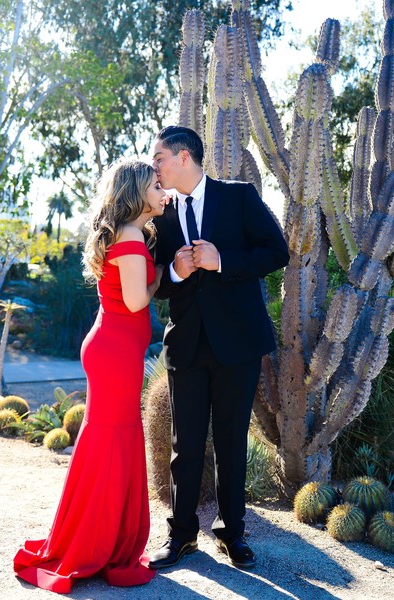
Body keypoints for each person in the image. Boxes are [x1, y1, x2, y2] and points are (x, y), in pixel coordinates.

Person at [13, 157, 168, 594]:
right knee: (112, 441)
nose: (162, 193)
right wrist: (172, 272)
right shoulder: (134, 236)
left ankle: (90, 534)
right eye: (155, 187)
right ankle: (98, 542)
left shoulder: (123, 233)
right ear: (138, 194)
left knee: (104, 440)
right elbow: (138, 302)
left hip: (107, 346)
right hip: (116, 353)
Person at [148, 126, 289, 570]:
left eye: (160, 159)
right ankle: (182, 536)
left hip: (238, 344)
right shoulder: (162, 212)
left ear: (184, 156)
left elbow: (276, 251)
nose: (155, 167)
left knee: (230, 442)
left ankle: (232, 534)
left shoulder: (239, 197)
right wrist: (175, 269)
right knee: (183, 445)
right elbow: (156, 285)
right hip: (187, 345)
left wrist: (222, 261)